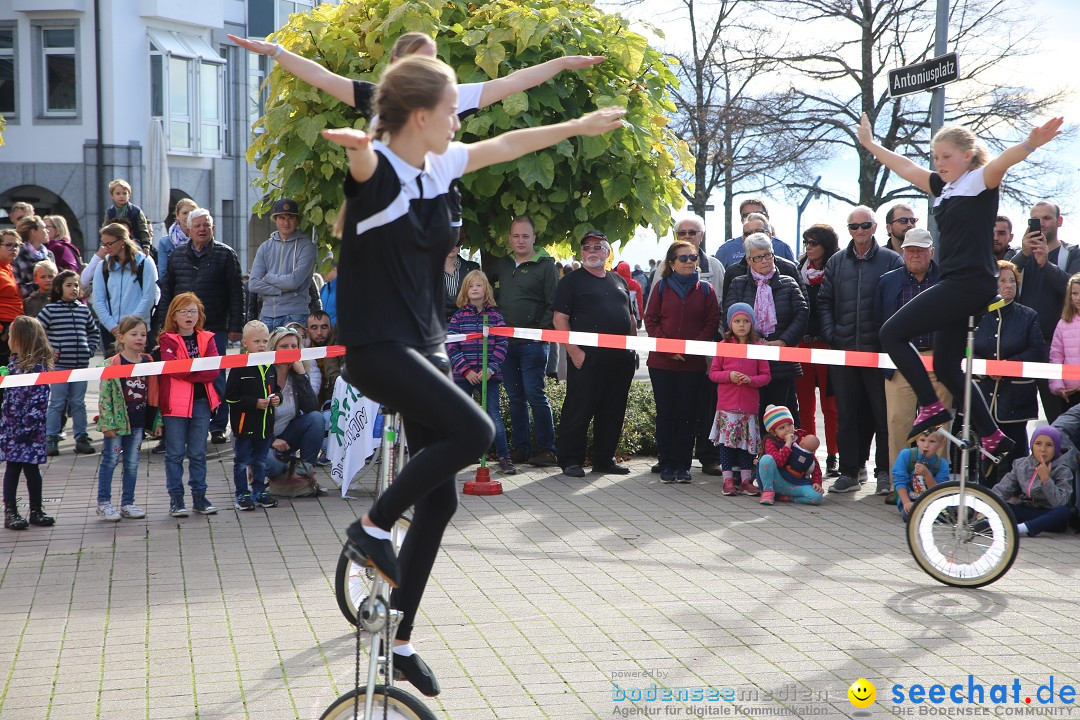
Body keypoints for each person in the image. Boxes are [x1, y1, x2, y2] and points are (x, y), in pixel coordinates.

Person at [323, 54, 623, 696]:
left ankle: (400, 638)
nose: (462, 120)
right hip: (379, 347)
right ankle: (372, 526)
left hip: (426, 346)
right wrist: (357, 151)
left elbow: (512, 141)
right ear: (423, 115)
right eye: (453, 110)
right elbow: (363, 167)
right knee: (478, 430)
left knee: (443, 499)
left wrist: (580, 124)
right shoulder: (380, 169)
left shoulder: (444, 165)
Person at [229, 29, 604, 243]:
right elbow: (325, 79)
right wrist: (277, 51)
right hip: (387, 211)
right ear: (396, 66)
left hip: (432, 212)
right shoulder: (378, 100)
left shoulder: (449, 101)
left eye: (435, 60)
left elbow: (508, 86)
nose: (432, 67)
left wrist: (562, 63)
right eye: (421, 60)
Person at [859, 112, 1064, 460]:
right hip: (958, 284)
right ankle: (992, 435)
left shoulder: (980, 181)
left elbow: (1004, 160)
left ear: (967, 156)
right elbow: (906, 167)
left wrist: (1030, 143)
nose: (939, 164)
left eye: (946, 157)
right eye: (936, 157)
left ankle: (930, 405)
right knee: (945, 366)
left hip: (969, 284)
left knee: (891, 334)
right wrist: (870, 144)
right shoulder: (943, 187)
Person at [817, 204, 903, 493]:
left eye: (865, 225)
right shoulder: (836, 262)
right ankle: (849, 472)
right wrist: (831, 334)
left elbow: (899, 305)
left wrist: (887, 341)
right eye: (853, 227)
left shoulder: (892, 261)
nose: (859, 231)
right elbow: (824, 301)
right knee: (847, 415)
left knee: (883, 416)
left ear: (876, 227)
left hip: (878, 353)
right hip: (843, 352)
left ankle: (884, 474)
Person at [155, 208, 245, 444]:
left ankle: (217, 426)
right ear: (189, 229)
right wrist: (164, 324)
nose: (202, 229)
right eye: (197, 226)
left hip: (215, 327)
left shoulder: (226, 255)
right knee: (181, 375)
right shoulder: (176, 256)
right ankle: (187, 422)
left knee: (216, 376)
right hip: (182, 329)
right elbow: (167, 293)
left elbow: (237, 293)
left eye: (206, 225)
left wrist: (236, 324)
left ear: (212, 228)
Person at [875, 228, 953, 495]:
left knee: (939, 424)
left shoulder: (948, 280)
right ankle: (901, 487)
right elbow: (880, 321)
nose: (915, 255)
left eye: (921, 250)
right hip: (901, 359)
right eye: (910, 250)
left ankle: (934, 487)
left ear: (932, 252)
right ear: (902, 252)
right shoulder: (887, 282)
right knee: (898, 421)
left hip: (939, 358)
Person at [554, 231, 638, 478]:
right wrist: (574, 352)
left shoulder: (617, 280)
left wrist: (632, 348)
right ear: (581, 253)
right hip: (587, 359)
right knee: (579, 410)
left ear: (607, 252)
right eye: (587, 247)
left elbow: (631, 317)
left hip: (620, 360)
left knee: (613, 411)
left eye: (598, 246)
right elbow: (560, 319)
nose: (592, 251)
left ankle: (604, 460)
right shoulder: (570, 281)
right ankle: (570, 460)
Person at [486, 215, 560, 467]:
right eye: (516, 236)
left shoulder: (546, 266)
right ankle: (522, 449)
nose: (520, 240)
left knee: (535, 395)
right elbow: (483, 286)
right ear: (509, 238)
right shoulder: (503, 265)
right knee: (515, 397)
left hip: (534, 343)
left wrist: (540, 330)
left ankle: (547, 450)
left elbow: (554, 303)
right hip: (505, 343)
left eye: (525, 236)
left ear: (534, 238)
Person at [644, 240, 720, 483]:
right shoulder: (661, 287)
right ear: (672, 263)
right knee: (667, 413)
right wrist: (669, 348)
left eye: (692, 257)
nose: (689, 262)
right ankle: (666, 464)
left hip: (692, 363)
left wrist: (690, 349)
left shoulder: (707, 290)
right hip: (662, 363)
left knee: (688, 414)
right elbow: (651, 320)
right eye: (683, 258)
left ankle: (683, 466)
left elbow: (711, 322)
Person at [723, 232, 808, 430]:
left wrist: (783, 341)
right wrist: (753, 341)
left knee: (781, 413)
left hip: (781, 359)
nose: (764, 261)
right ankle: (753, 457)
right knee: (753, 411)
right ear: (748, 260)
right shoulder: (738, 284)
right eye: (757, 257)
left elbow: (802, 313)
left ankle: (781, 456)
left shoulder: (788, 282)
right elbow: (729, 317)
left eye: (768, 255)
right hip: (750, 359)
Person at [973, 260, 1045, 484]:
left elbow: (1036, 351)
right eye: (1002, 281)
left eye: (1012, 281)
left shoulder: (1028, 315)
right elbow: (965, 349)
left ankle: (1015, 498)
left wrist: (1006, 366)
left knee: (1015, 454)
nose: (1008, 285)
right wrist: (985, 367)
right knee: (981, 458)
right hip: (983, 395)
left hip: (1015, 400)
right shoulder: (976, 315)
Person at [158, 292, 222, 517]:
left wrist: (189, 371)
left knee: (198, 453)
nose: (188, 315)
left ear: (199, 315)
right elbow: (173, 368)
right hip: (175, 404)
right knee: (174, 453)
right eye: (183, 311)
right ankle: (176, 500)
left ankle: (200, 498)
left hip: (202, 402)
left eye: (192, 311)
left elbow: (213, 371)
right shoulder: (166, 339)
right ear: (174, 315)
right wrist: (197, 371)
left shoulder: (208, 337)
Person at [1014, 201, 1080, 424]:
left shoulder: (1072, 254)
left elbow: (1073, 290)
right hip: (1021, 349)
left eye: (1047, 218)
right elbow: (1000, 285)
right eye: (1035, 219)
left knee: (1059, 423)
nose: (1041, 224)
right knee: (1012, 422)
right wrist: (1024, 254)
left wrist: (1045, 263)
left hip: (1057, 350)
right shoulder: (1020, 256)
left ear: (1059, 222)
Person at [446, 270, 514, 474]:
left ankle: (504, 457)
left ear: (486, 290)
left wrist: (490, 369)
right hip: (463, 376)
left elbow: (502, 344)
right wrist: (466, 370)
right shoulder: (458, 317)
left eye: (479, 285)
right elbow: (451, 346)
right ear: (465, 291)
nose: (475, 289)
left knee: (493, 415)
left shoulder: (495, 317)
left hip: (489, 376)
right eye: (471, 286)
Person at [95, 316, 156, 522]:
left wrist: (157, 421)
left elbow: (155, 392)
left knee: (132, 462)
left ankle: (127, 503)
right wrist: (107, 423)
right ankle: (104, 503)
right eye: (134, 334)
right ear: (121, 337)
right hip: (117, 423)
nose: (139, 338)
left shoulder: (148, 361)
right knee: (110, 460)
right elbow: (105, 397)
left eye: (143, 334)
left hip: (138, 423)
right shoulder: (113, 363)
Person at [708, 303, 771, 496]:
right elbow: (713, 373)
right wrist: (729, 376)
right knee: (727, 445)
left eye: (745, 321)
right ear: (730, 324)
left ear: (752, 324)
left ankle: (746, 481)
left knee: (747, 447)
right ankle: (727, 480)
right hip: (727, 408)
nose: (741, 325)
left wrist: (751, 380)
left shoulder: (758, 347)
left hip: (748, 407)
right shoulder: (723, 346)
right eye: (737, 321)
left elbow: (766, 376)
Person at [795, 224, 840, 477]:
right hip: (802, 345)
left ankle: (833, 455)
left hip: (827, 346)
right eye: (806, 242)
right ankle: (808, 454)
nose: (809, 248)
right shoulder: (798, 270)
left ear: (827, 246)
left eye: (814, 243)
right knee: (805, 405)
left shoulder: (837, 269)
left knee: (831, 405)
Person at [38, 270, 100, 456]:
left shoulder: (83, 309)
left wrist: (89, 349)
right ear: (58, 288)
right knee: (57, 402)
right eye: (69, 285)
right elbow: (37, 331)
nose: (74, 288)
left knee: (78, 403)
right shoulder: (50, 310)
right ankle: (51, 438)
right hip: (60, 367)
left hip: (80, 366)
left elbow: (94, 332)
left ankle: (81, 437)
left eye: (76, 285)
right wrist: (48, 351)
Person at [1, 316, 54, 530]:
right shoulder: (12, 364)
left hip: (31, 430)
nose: (8, 339)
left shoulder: (37, 368)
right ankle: (11, 511)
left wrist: (28, 427)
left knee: (33, 470)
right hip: (11, 428)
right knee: (12, 469)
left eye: (12, 336)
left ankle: (36, 510)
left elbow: (39, 400)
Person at [226, 320, 281, 511]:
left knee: (260, 461)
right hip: (244, 426)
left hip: (265, 426)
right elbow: (230, 397)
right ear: (245, 344)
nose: (262, 345)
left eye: (265, 341)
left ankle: (259, 491)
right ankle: (242, 493)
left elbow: (277, 389)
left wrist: (278, 399)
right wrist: (254, 403)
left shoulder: (270, 366)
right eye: (257, 341)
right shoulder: (239, 367)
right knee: (242, 462)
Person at [262, 326, 325, 487]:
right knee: (275, 466)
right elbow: (250, 417)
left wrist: (302, 376)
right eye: (284, 346)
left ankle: (304, 474)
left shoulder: (296, 374)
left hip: (287, 437)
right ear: (273, 349)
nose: (290, 350)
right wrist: (271, 441)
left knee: (317, 419)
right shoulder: (264, 374)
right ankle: (258, 471)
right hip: (260, 439)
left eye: (294, 346)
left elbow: (312, 408)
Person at [991, 425, 1075, 537]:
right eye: (1038, 443)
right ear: (1032, 445)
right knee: (1000, 504)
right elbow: (1003, 489)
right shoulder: (1021, 464)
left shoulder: (1063, 469)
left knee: (1065, 511)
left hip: (1049, 515)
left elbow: (1060, 502)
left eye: (1049, 445)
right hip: (1026, 510)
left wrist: (1046, 479)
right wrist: (987, 506)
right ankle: (988, 523)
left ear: (1056, 447)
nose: (1043, 449)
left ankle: (1020, 529)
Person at [248, 198, 317, 329]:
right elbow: (253, 284)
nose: (286, 222)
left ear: (297, 220)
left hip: (296, 315)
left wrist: (268, 277)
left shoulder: (307, 246)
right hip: (267, 316)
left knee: (294, 350)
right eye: (282, 218)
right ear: (275, 220)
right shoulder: (265, 247)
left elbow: (293, 282)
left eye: (291, 217)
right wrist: (280, 290)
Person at [92, 223, 159, 358]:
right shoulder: (103, 266)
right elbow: (98, 300)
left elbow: (149, 297)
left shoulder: (145, 263)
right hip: (112, 332)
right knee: (114, 376)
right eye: (104, 244)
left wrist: (130, 326)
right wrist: (112, 326)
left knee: (140, 375)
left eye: (109, 244)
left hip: (139, 331)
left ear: (122, 241)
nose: (106, 248)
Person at [758, 404, 824, 506]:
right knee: (766, 459)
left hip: (795, 482)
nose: (788, 429)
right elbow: (778, 463)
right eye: (782, 427)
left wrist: (817, 482)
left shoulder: (800, 439)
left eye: (789, 424)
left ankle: (786, 498)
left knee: (817, 497)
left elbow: (812, 461)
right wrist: (788, 444)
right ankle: (768, 492)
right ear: (773, 432)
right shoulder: (771, 442)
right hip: (776, 480)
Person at [714, 199, 795, 266]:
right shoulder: (727, 249)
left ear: (767, 218)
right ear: (742, 220)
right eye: (747, 215)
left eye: (758, 214)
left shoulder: (782, 248)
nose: (753, 217)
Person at [891, 430, 951, 521]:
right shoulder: (906, 455)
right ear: (917, 441)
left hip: (932, 502)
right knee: (911, 515)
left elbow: (938, 492)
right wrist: (906, 502)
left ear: (941, 444)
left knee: (950, 513)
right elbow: (899, 480)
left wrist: (927, 475)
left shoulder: (942, 464)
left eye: (932, 441)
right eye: (922, 440)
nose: (926, 445)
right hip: (911, 501)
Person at [306, 310, 340, 465]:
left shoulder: (338, 348)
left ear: (331, 328)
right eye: (314, 327)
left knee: (326, 416)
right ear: (307, 330)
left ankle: (329, 451)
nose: (319, 332)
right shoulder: (301, 350)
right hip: (309, 405)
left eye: (324, 327)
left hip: (334, 404)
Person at [1049, 272, 1080, 411]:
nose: (1078, 298)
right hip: (1069, 393)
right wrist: (1058, 386)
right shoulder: (1063, 324)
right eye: (1074, 293)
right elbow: (1056, 358)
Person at [13, 216, 56, 299]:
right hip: (28, 305)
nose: (47, 231)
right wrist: (39, 288)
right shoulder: (18, 254)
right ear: (33, 232)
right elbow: (17, 286)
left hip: (50, 303)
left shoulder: (49, 254)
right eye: (44, 228)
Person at [104, 179, 152, 251]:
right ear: (112, 196)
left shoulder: (136, 211)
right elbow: (106, 229)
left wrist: (146, 245)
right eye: (118, 194)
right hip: (114, 243)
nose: (121, 196)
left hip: (134, 242)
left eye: (124, 193)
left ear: (129, 195)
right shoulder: (110, 212)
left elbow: (143, 229)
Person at [0, 229, 23, 369]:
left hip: (13, 328)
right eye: (9, 245)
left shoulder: (9, 269)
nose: (13, 249)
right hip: (3, 329)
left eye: (16, 245)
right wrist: (1, 330)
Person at [442, 235, 480, 322]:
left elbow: (479, 299)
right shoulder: (428, 270)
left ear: (461, 243)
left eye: (456, 242)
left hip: (467, 323)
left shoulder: (473, 268)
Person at [157, 198, 197, 276]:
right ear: (178, 214)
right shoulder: (165, 242)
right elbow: (162, 274)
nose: (188, 216)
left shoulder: (201, 239)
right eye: (185, 213)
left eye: (192, 213)